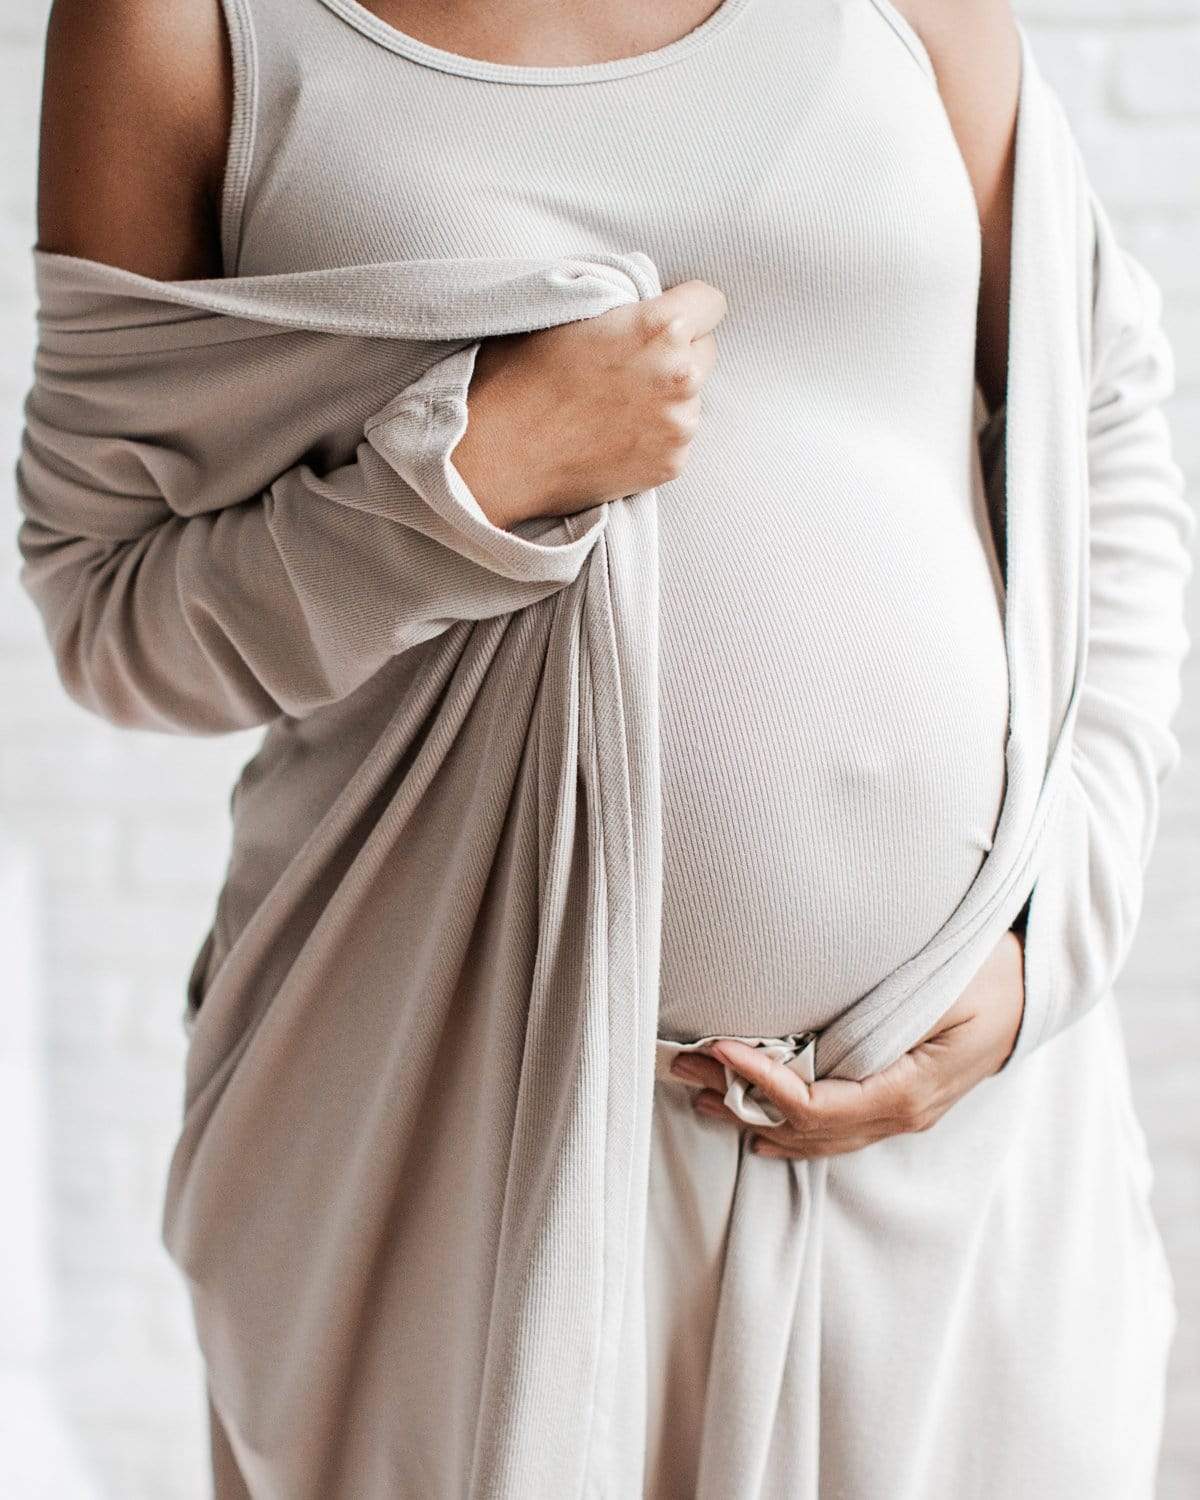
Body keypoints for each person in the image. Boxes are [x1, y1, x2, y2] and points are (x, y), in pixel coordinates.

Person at [30, 1, 1180, 1496]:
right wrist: (470, 474)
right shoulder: (185, 28)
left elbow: (1095, 421)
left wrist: (1052, 926)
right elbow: (107, 611)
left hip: (939, 1149)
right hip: (445, 1150)